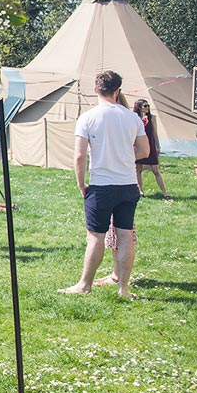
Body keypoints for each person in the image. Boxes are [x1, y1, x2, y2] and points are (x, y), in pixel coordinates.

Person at [59, 70, 148, 299]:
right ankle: (123, 288)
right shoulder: (133, 117)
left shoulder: (88, 118)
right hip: (128, 185)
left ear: (96, 90)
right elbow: (144, 151)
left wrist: (81, 185)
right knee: (125, 234)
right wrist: (125, 158)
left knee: (96, 236)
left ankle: (85, 284)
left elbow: (80, 156)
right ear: (118, 90)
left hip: (101, 186)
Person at [132, 99, 169, 199]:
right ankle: (140, 191)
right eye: (145, 106)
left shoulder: (152, 118)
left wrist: (158, 146)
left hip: (150, 145)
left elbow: (154, 133)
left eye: (148, 106)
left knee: (155, 170)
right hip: (139, 145)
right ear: (139, 107)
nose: (147, 108)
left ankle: (165, 193)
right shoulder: (134, 118)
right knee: (138, 169)